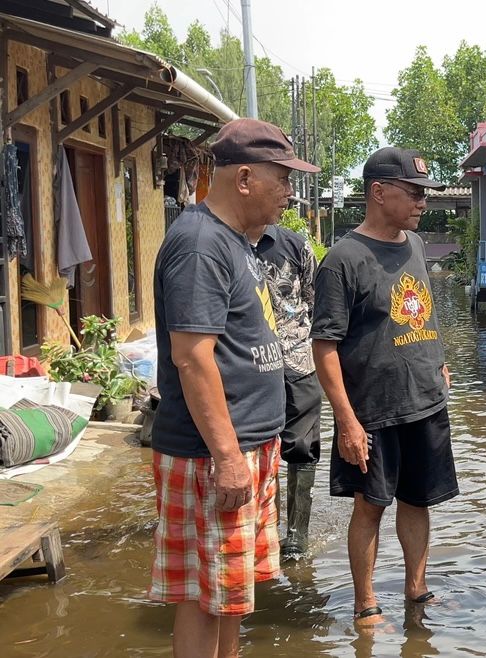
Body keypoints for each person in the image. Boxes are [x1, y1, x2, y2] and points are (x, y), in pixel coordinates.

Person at [149, 117, 319, 658]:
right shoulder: (200, 245)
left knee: (227, 593)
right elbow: (193, 358)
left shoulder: (238, 241)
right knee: (204, 595)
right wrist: (226, 456)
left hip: (247, 446)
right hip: (212, 455)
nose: (290, 193)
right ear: (244, 178)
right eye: (283, 179)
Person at [311, 147, 458, 627]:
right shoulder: (343, 260)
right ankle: (365, 603)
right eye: (413, 193)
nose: (422, 203)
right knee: (370, 504)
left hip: (425, 400)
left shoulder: (413, 246)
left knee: (419, 500)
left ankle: (417, 592)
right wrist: (347, 421)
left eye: (424, 195)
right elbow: (325, 347)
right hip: (373, 409)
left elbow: (421, 313)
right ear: (378, 192)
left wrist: (439, 363)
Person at [250, 220, 321, 557]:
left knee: (302, 445)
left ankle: (296, 535)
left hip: (297, 359)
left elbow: (315, 299)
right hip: (247, 366)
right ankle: (265, 528)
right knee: (256, 444)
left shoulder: (295, 245)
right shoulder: (229, 245)